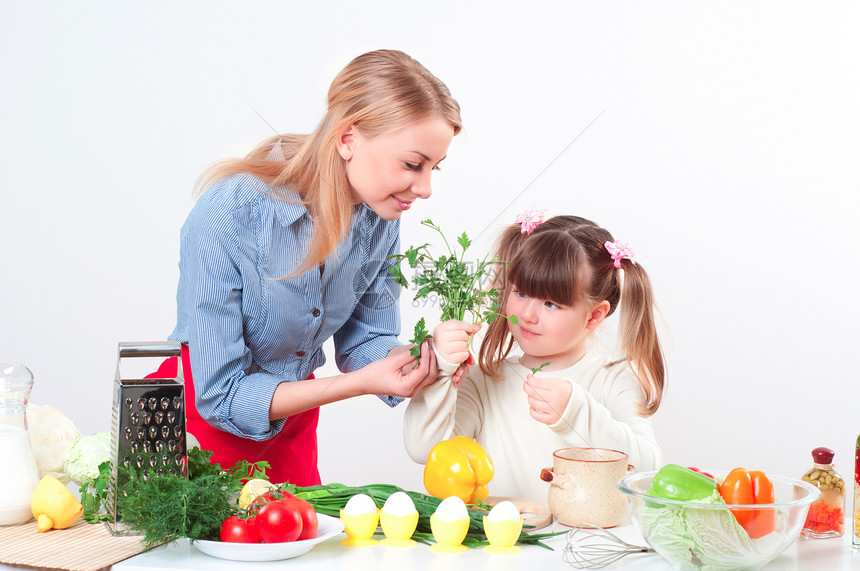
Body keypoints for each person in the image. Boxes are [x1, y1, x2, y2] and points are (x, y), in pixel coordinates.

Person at [157, 49, 461, 485]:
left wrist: (429, 359)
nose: (426, 188)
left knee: (306, 545)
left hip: (293, 424)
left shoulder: (379, 219)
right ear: (348, 138)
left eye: (434, 168)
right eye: (413, 164)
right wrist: (360, 384)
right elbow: (220, 395)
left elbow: (367, 344)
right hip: (202, 425)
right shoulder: (230, 211)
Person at [403, 214, 666, 501]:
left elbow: (647, 469)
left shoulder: (613, 379)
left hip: (591, 543)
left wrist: (577, 412)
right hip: (503, 541)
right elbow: (425, 451)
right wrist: (441, 373)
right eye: (522, 293)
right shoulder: (486, 381)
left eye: (551, 304)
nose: (527, 315)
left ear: (594, 315)